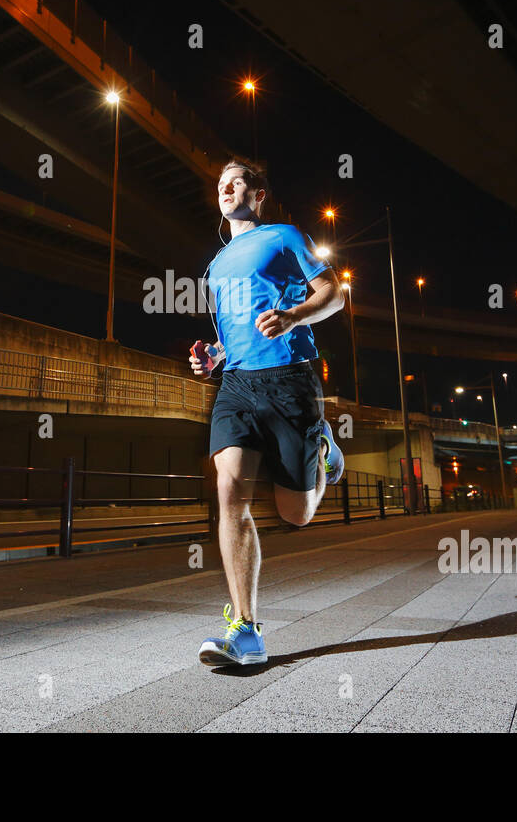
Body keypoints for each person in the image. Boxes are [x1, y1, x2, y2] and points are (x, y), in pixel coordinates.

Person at [189, 158, 345, 666]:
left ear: (257, 195)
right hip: (235, 384)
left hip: (289, 377)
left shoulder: (284, 236)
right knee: (228, 489)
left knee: (295, 515)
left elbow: (334, 293)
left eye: (237, 181)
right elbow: (233, 328)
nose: (227, 188)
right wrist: (213, 354)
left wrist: (294, 314)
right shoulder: (215, 265)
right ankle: (246, 630)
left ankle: (321, 448)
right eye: (220, 184)